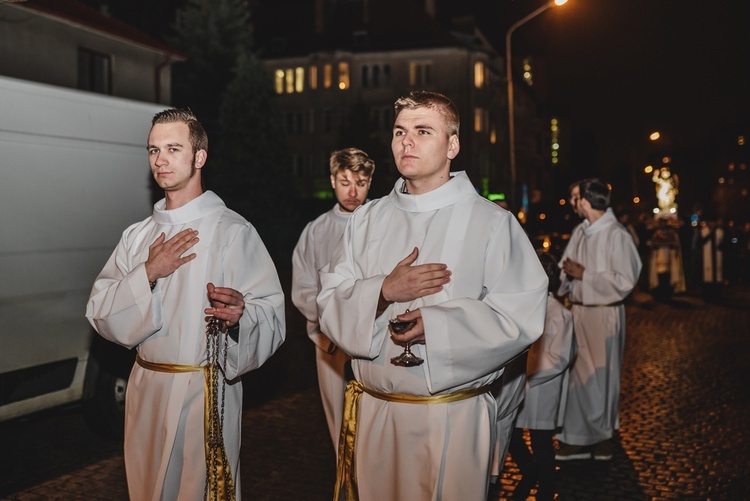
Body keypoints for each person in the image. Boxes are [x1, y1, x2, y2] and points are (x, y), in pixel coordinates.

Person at [316, 90, 548, 500]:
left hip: (451, 417)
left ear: (452, 145)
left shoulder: (492, 223)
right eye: (399, 131)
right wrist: (383, 292)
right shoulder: (365, 219)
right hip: (376, 411)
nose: (407, 141)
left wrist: (438, 328)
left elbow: (519, 314)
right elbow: (330, 301)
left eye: (423, 131)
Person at [86, 108, 286, 500]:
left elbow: (274, 316)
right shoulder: (137, 236)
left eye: (173, 148)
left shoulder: (233, 231)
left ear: (199, 157)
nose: (160, 160)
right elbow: (99, 311)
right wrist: (147, 272)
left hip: (206, 392)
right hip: (146, 390)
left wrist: (240, 319)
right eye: (153, 150)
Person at [291, 147, 375, 450]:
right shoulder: (316, 230)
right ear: (332, 180)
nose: (352, 192)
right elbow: (303, 286)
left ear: (370, 182)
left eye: (361, 183)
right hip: (329, 342)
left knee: (375, 418)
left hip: (373, 337)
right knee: (337, 420)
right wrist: (329, 327)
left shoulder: (380, 223)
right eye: (344, 182)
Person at [555, 178, 642, 462]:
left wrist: (585, 275)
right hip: (579, 311)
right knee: (577, 378)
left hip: (604, 313)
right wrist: (568, 275)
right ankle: (578, 438)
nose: (572, 202)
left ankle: (604, 437)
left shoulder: (617, 235)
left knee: (602, 376)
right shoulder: (580, 231)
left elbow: (626, 280)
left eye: (575, 197)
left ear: (587, 199)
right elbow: (565, 269)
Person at [507, 252, 575, 501]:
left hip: (542, 388)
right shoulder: (527, 309)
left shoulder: (559, 313)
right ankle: (529, 469)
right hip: (522, 386)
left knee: (541, 442)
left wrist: (529, 375)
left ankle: (547, 488)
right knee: (512, 435)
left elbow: (559, 357)